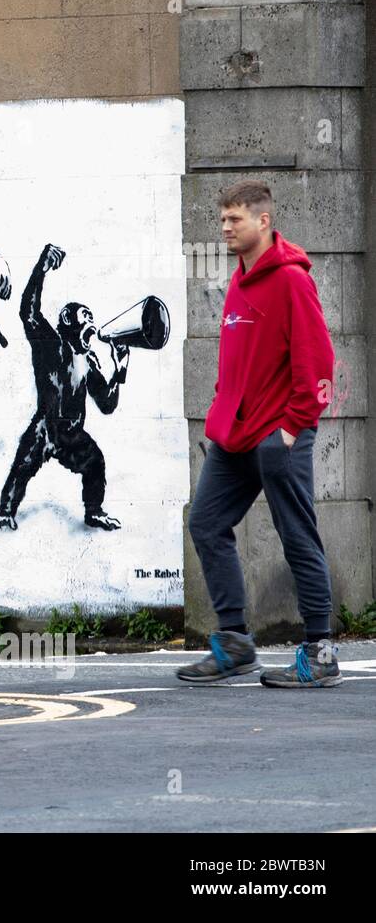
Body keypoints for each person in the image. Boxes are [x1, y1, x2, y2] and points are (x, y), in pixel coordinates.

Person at [180, 181, 340, 687]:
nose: (225, 228)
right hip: (234, 437)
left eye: (235, 220)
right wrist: (221, 408)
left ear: (263, 221)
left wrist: (291, 430)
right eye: (223, 219)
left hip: (279, 436)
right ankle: (234, 644)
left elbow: (319, 364)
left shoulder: (292, 280)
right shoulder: (240, 279)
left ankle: (319, 653)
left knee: (297, 536)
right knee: (206, 523)